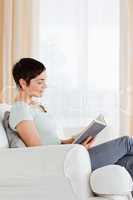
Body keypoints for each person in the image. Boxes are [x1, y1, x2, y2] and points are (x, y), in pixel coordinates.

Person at [9, 57, 133, 180]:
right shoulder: (20, 110)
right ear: (23, 83)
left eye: (45, 81)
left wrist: (75, 140)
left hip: (68, 154)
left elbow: (53, 142)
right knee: (127, 142)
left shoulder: (35, 107)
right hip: (63, 163)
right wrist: (75, 149)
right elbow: (39, 152)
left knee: (129, 162)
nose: (45, 86)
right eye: (40, 82)